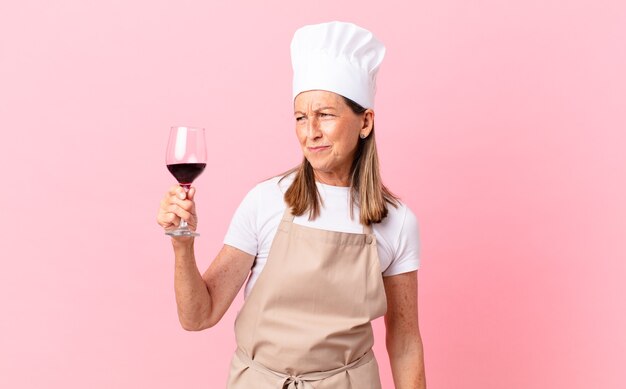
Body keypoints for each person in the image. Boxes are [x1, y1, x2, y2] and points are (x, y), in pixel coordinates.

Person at [157, 21, 426, 389]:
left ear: (365, 122)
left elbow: (406, 340)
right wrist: (182, 245)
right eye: (301, 117)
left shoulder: (397, 222)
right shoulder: (265, 202)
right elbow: (197, 316)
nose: (310, 131)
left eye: (326, 115)